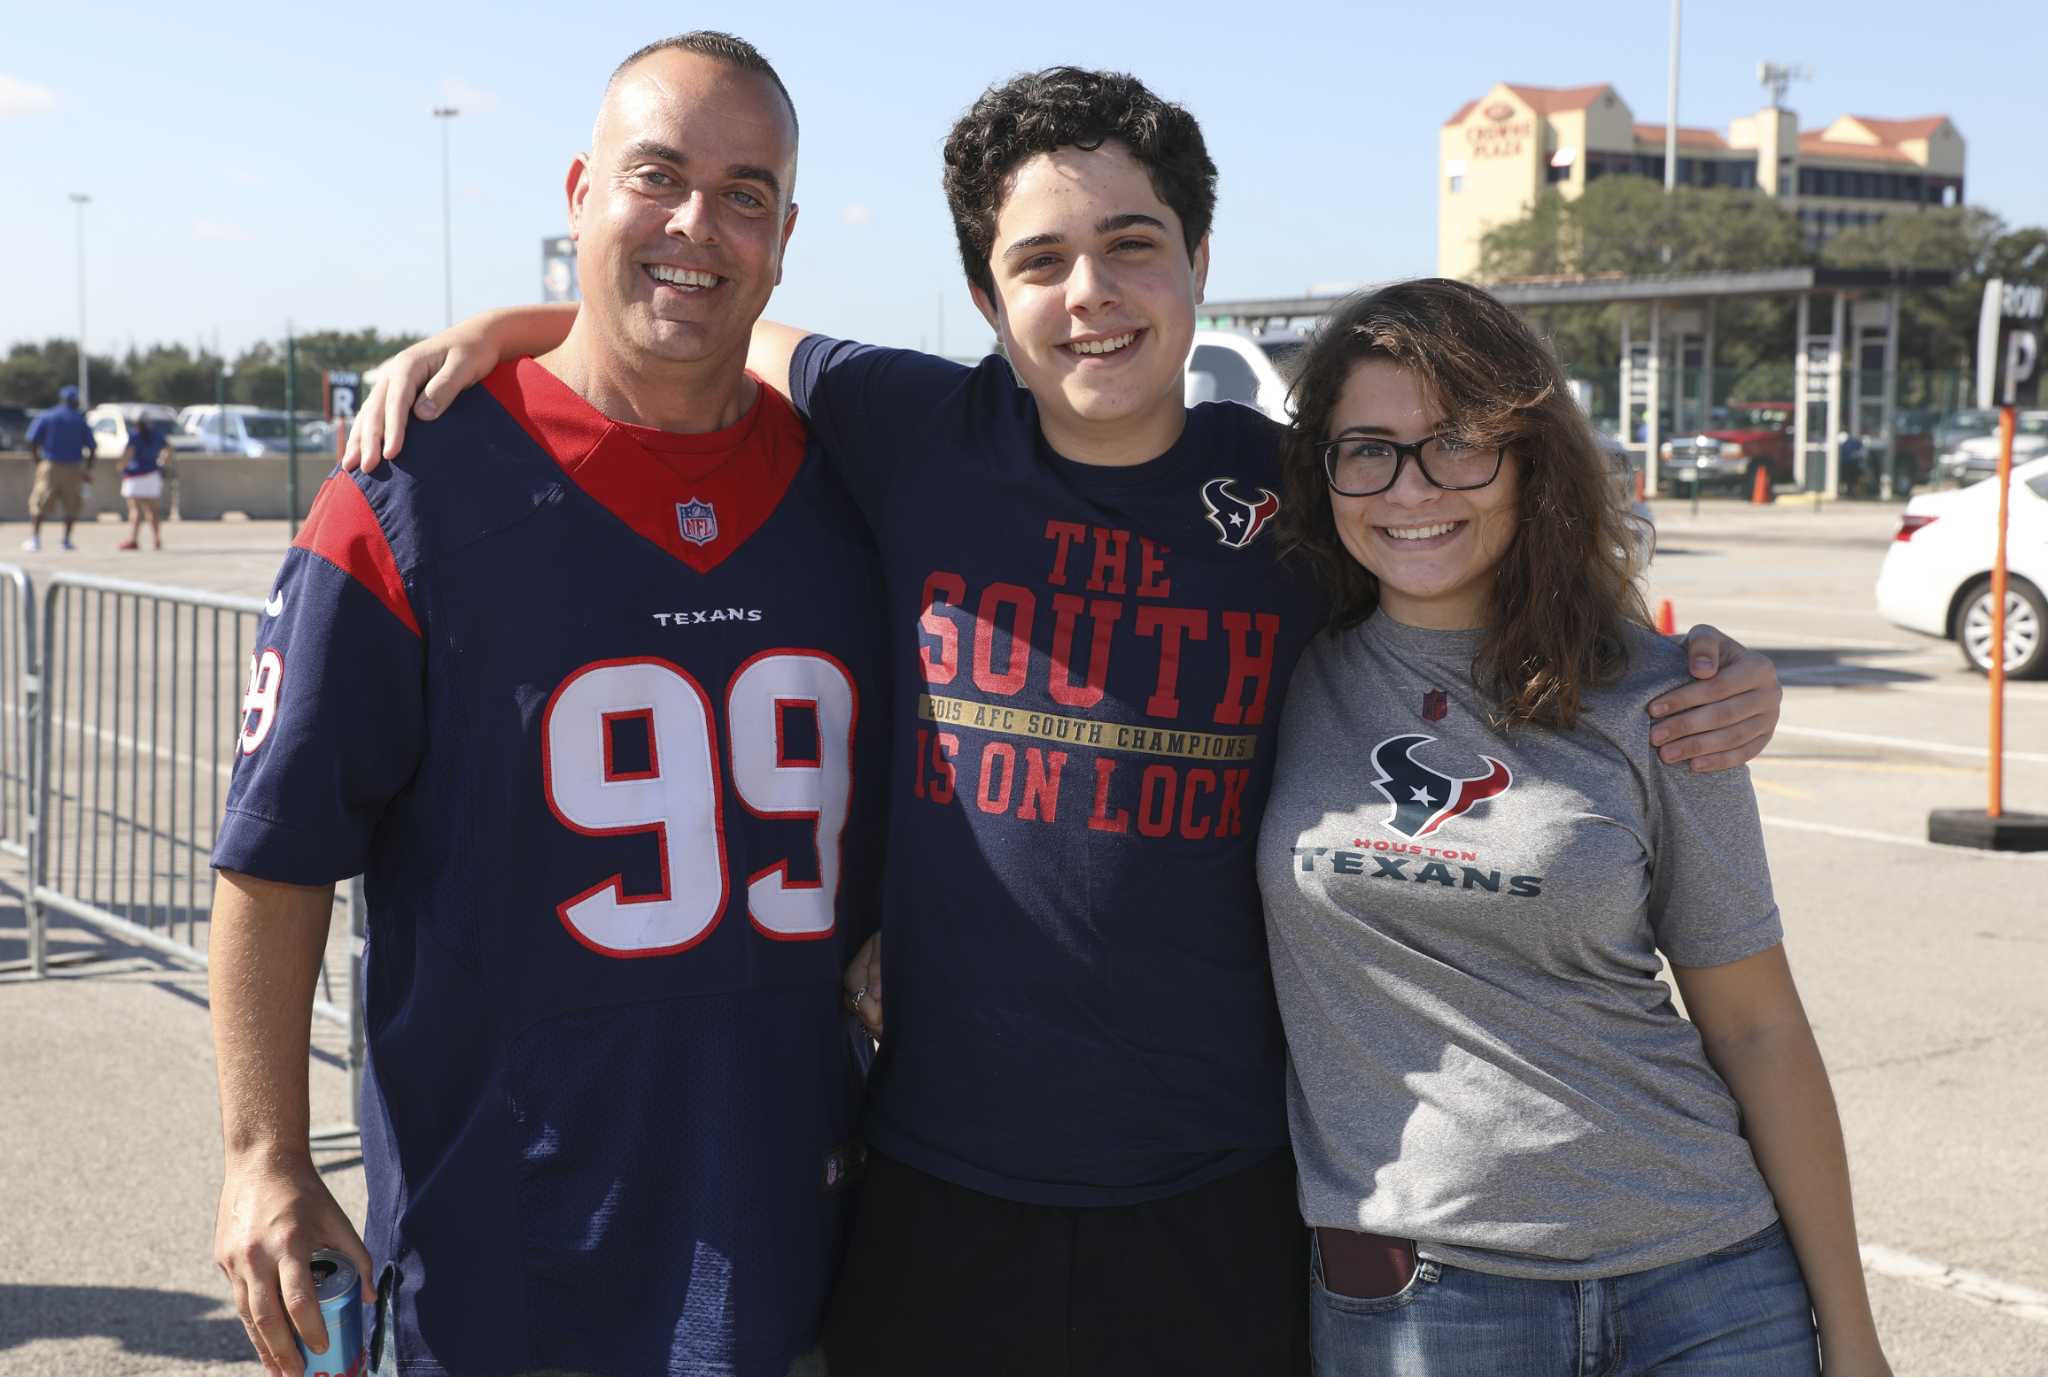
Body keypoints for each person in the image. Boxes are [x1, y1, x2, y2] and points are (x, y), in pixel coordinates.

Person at [347, 68, 1784, 1377]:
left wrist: (1703, 673)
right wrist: (504, 328)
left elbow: (1479, 549)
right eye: (1039, 260)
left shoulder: (1293, 491)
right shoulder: (917, 431)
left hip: (1218, 1193)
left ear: (1200, 264)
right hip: (940, 1186)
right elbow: (702, 314)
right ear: (986, 299)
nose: (1089, 292)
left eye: (1132, 245)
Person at [208, 32, 883, 1377]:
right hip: (512, 1243)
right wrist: (263, 1156)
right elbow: (276, 858)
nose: (699, 223)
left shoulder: (860, 488)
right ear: (580, 191)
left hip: (804, 1230)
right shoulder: (413, 487)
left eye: (746, 194)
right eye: (658, 178)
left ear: (787, 234)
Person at [1258, 279, 1889, 1375]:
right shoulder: (1278, 673)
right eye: (1367, 449)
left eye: (1456, 444)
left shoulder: (1660, 695)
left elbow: (1755, 1027)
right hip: (1426, 1295)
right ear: (1327, 473)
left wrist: (1854, 1336)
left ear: (1527, 459)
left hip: (1707, 1276)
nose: (1409, 488)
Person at [23, 383, 96, 551]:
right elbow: (92, 447)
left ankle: (35, 539)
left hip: (51, 466)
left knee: (40, 503)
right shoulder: (79, 419)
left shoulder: (47, 416)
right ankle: (65, 541)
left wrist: (38, 463)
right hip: (74, 467)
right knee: (71, 505)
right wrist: (88, 470)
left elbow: (32, 440)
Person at [116, 415, 167, 550]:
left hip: (135, 475)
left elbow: (128, 454)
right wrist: (162, 463)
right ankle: (156, 539)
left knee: (135, 510)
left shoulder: (135, 436)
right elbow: (167, 450)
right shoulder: (157, 435)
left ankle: (133, 539)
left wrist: (120, 466)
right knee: (152, 510)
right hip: (152, 474)